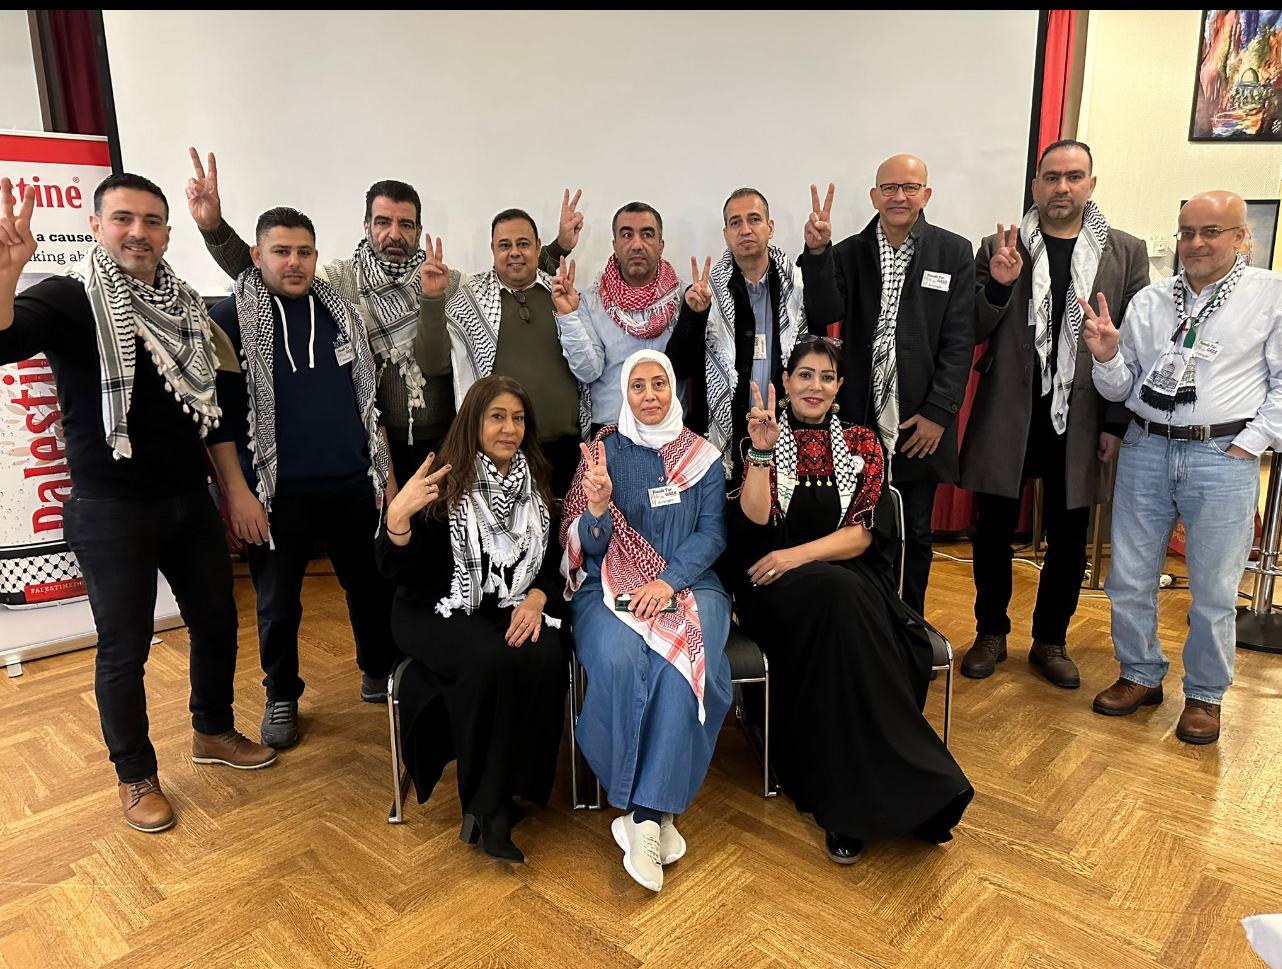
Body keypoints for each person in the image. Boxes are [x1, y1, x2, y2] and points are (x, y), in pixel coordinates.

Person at [0, 174, 275, 834]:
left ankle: (212, 730)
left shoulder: (187, 308)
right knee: (125, 650)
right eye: (123, 218)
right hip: (111, 511)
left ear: (167, 234)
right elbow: (5, 341)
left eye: (152, 221)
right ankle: (135, 775)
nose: (138, 232)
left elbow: (210, 414)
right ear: (96, 226)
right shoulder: (69, 297)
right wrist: (6, 275)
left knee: (218, 622)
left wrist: (233, 491)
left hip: (188, 501)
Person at [725, 336, 973, 864]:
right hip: (774, 589)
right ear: (786, 381)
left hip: (845, 580)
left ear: (839, 386)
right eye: (805, 375)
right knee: (842, 602)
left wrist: (795, 556)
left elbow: (861, 535)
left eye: (826, 377)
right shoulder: (755, 436)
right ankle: (891, 787)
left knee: (843, 604)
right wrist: (763, 453)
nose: (814, 386)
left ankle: (857, 799)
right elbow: (753, 523)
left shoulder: (862, 441)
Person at [1085, 190, 1282, 744]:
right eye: (1187, 232)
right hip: (1146, 446)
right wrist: (1107, 356)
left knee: (1215, 588)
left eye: (1210, 231)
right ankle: (1140, 673)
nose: (1195, 243)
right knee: (1128, 576)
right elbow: (1123, 389)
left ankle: (1205, 695)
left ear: (1241, 236)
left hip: (1222, 455)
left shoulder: (1269, 295)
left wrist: (1248, 445)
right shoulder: (1151, 300)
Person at [959, 139, 1150, 688]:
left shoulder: (1125, 252)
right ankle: (991, 632)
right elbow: (970, 328)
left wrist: (1116, 423)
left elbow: (1136, 346)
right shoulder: (1000, 246)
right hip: (1009, 413)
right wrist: (999, 286)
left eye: (1073, 177)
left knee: (1069, 536)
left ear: (1091, 184)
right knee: (992, 530)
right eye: (1051, 177)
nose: (1061, 187)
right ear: (1035, 185)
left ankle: (1050, 641)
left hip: (1084, 415)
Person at [206, 206, 395, 747]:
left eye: (304, 252)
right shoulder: (228, 319)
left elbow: (368, 404)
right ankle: (282, 694)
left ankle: (377, 670)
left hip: (351, 483)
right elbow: (218, 420)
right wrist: (237, 494)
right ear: (256, 255)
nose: (294, 262)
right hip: (275, 494)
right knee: (276, 602)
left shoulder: (342, 313)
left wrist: (384, 475)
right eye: (281, 251)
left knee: (368, 586)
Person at [375, 375, 567, 862]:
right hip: (432, 607)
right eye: (497, 417)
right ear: (473, 422)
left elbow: (551, 561)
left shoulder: (536, 481)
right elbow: (402, 574)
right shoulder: (442, 481)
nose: (509, 429)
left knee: (546, 651)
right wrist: (397, 521)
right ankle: (487, 809)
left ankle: (520, 785)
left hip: (506, 603)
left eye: (518, 418)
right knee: (490, 659)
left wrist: (538, 597)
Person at [561, 349, 731, 893]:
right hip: (610, 583)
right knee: (619, 657)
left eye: (659, 383)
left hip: (691, 582)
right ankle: (659, 812)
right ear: (625, 394)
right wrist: (596, 509)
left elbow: (713, 534)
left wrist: (668, 580)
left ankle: (642, 816)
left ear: (674, 388)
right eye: (638, 386)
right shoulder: (603, 452)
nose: (650, 395)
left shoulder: (702, 456)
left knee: (684, 664)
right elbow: (585, 546)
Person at [799, 157, 976, 615]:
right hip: (860, 419)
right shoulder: (849, 253)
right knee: (855, 525)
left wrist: (939, 412)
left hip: (920, 420)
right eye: (889, 188)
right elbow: (823, 311)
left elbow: (959, 339)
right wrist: (817, 254)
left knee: (915, 530)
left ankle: (910, 624)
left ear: (926, 195)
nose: (899, 196)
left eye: (910, 187)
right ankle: (867, 621)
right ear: (874, 196)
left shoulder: (953, 252)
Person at [420, 202, 586, 492]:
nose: (515, 252)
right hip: (500, 453)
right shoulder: (471, 300)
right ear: (493, 250)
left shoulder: (563, 294)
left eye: (523, 243)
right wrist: (433, 299)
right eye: (505, 245)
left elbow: (588, 363)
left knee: (568, 521)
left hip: (565, 449)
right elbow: (434, 364)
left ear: (538, 247)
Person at [665, 188, 810, 482]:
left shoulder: (796, 287)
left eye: (754, 219)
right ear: (726, 234)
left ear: (770, 227)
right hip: (724, 439)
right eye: (735, 222)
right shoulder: (707, 293)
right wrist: (695, 315)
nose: (745, 229)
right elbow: (677, 367)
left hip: (785, 431)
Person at [552, 200, 684, 435]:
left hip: (671, 432)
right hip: (613, 431)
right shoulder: (592, 301)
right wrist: (568, 317)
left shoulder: (683, 298)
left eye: (647, 234)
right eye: (626, 235)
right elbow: (588, 372)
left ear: (661, 245)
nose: (637, 244)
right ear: (615, 244)